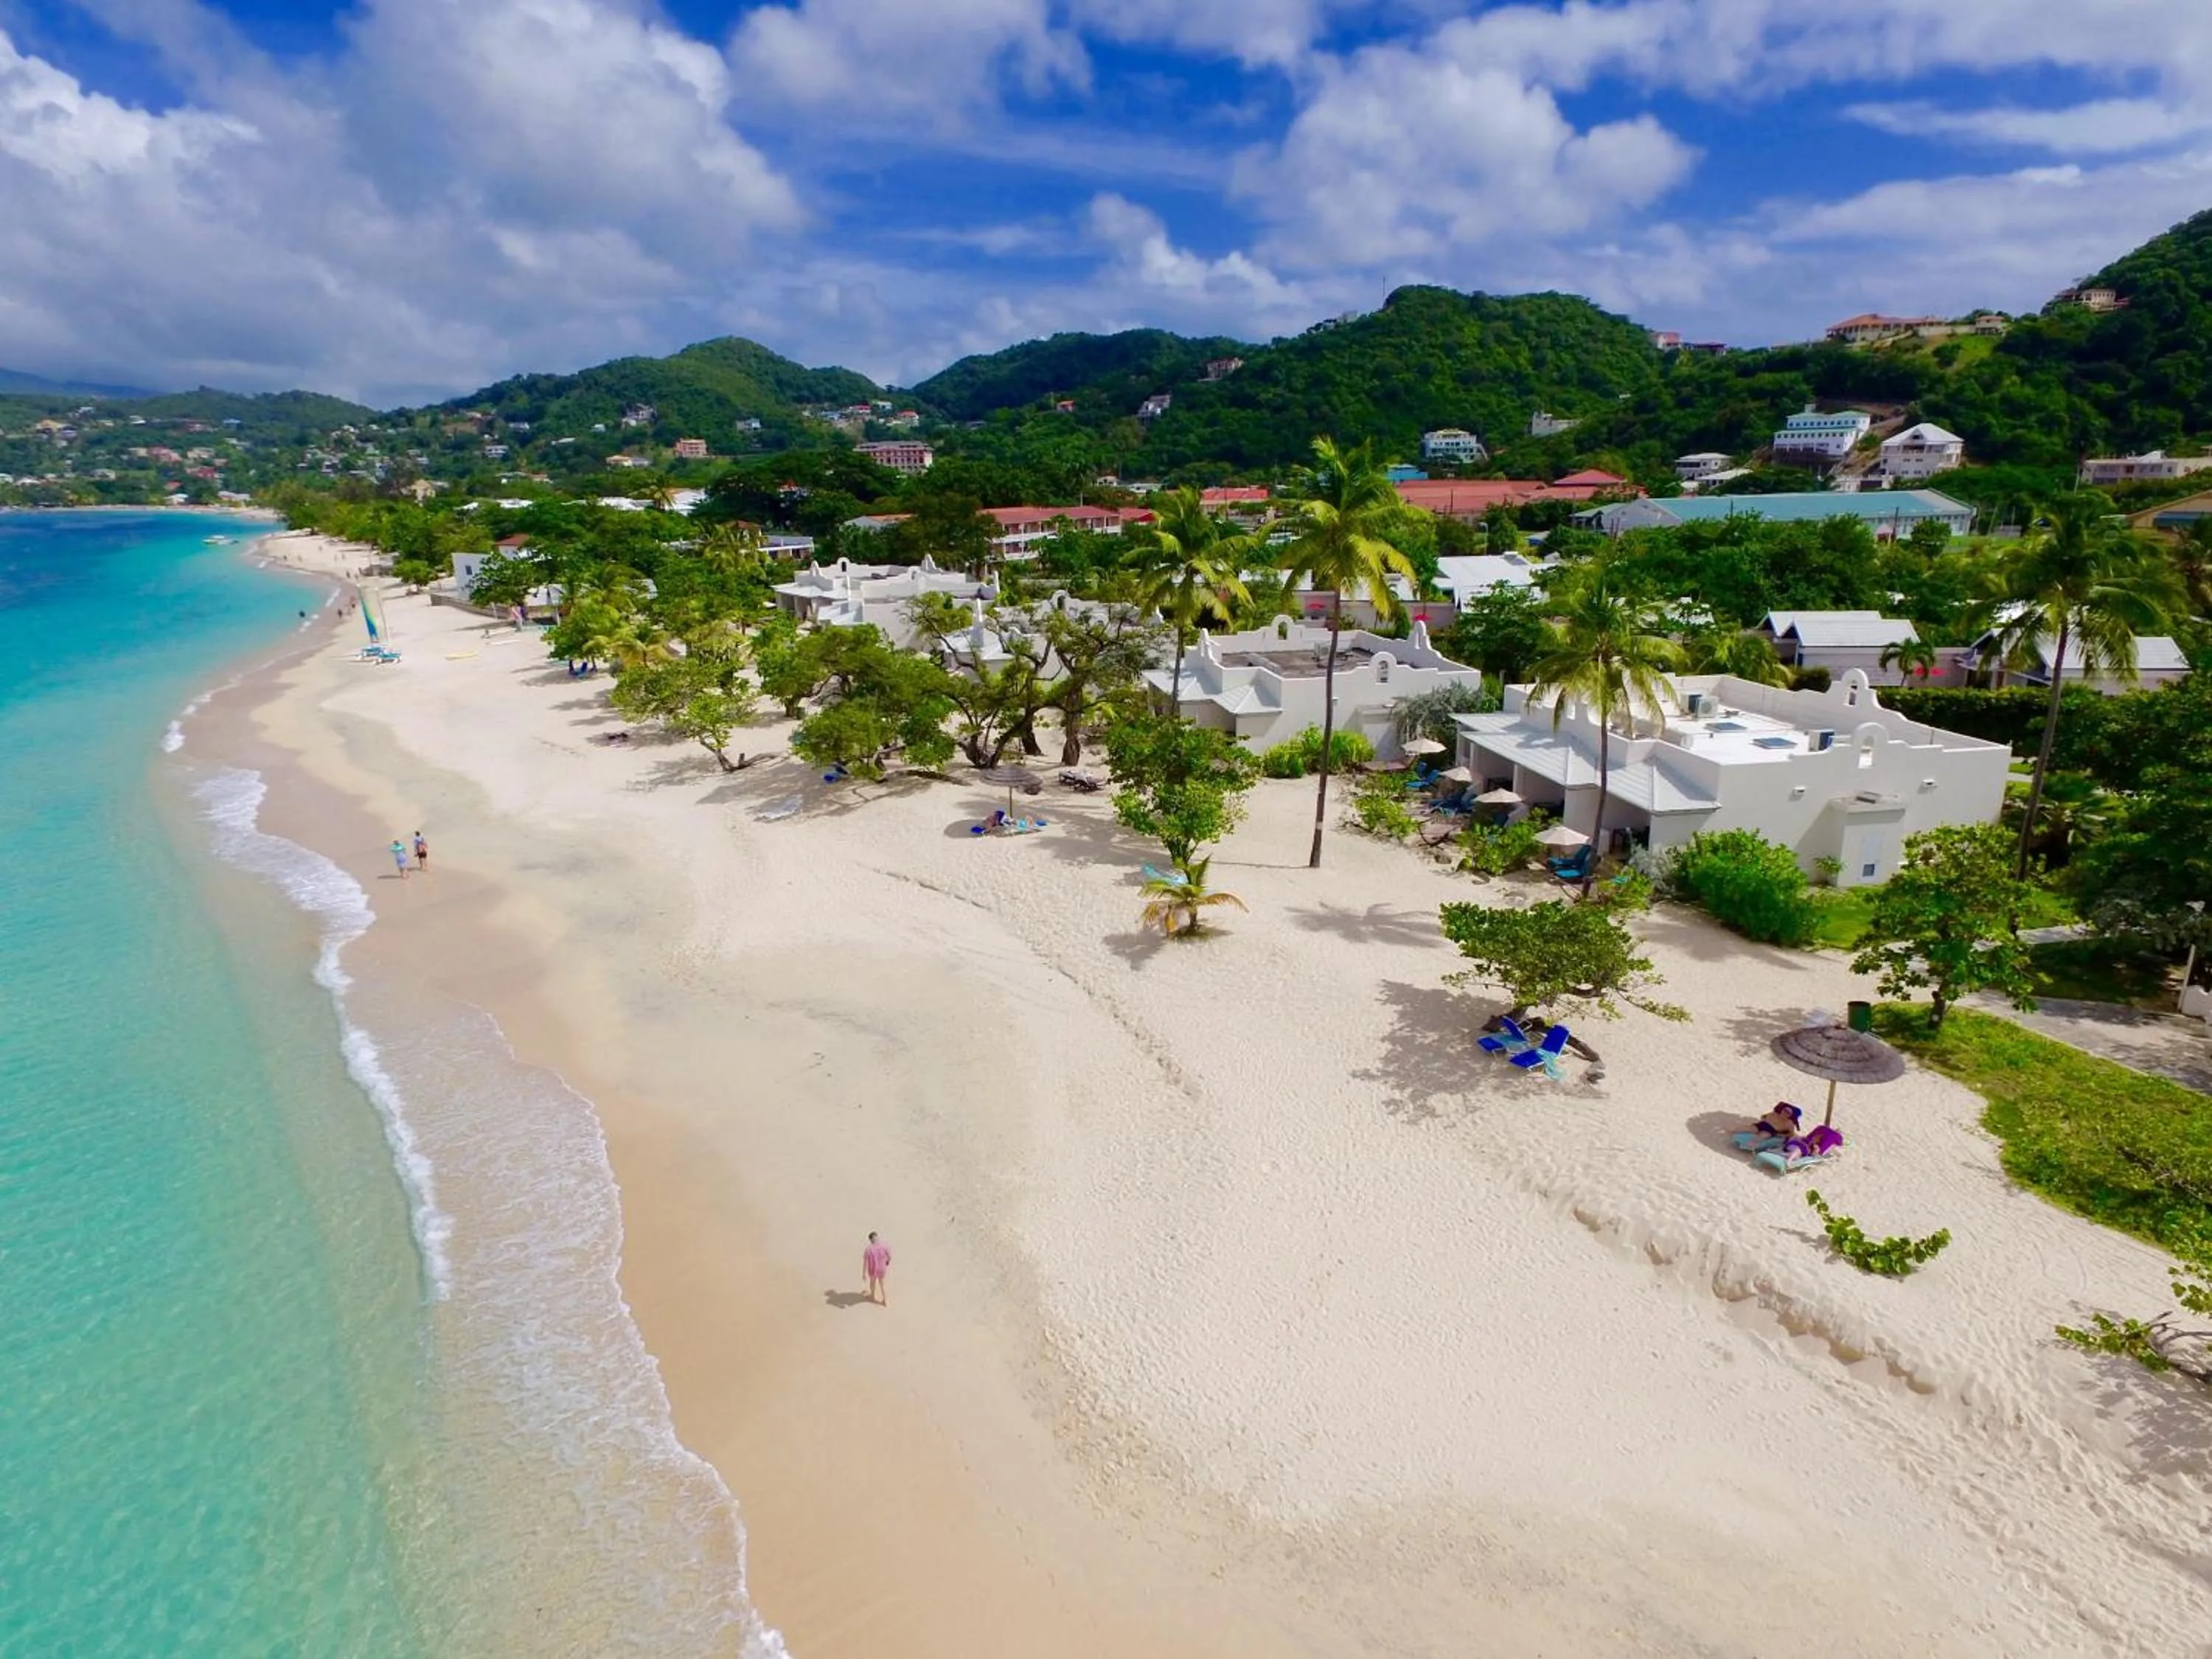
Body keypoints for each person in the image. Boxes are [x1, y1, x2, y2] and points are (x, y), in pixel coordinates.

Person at [862, 1232, 891, 1306]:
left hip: (872, 1270)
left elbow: (865, 1262)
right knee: (882, 1285)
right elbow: (889, 1256)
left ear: (871, 1240)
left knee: (872, 1283)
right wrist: (887, 1262)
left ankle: (872, 1296)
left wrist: (863, 1273)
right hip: (882, 1269)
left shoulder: (868, 1249)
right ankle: (885, 1300)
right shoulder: (884, 1246)